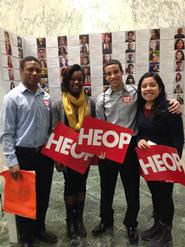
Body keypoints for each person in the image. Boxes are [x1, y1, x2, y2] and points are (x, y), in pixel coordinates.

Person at [92, 59, 180, 245]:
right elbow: (100, 126)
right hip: (109, 150)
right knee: (106, 188)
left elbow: (155, 100)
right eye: (109, 73)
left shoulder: (134, 93)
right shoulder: (101, 100)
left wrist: (175, 101)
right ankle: (105, 220)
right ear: (105, 76)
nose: (113, 76)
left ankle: (131, 223)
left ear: (122, 71)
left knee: (132, 189)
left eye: (116, 72)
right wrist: (99, 149)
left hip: (131, 148)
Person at [0, 56, 57, 247]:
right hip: (23, 155)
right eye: (30, 69)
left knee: (43, 194)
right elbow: (6, 132)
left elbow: (50, 130)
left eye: (37, 70)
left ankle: (39, 228)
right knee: (23, 198)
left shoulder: (46, 98)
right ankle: (25, 236)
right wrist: (12, 160)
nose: (34, 73)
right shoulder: (12, 98)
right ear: (21, 70)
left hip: (44, 155)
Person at [136, 72, 184, 247]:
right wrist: (138, 139)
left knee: (165, 196)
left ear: (160, 88)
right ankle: (158, 225)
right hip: (149, 162)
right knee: (155, 194)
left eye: (152, 85)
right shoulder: (140, 109)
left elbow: (179, 138)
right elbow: (139, 131)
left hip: (166, 162)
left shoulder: (170, 108)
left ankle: (167, 232)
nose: (148, 89)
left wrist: (173, 163)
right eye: (144, 86)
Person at [52, 64, 95, 239]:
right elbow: (54, 130)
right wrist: (57, 157)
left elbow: (95, 128)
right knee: (70, 185)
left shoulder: (90, 102)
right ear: (67, 81)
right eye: (73, 79)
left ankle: (79, 220)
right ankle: (70, 221)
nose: (76, 82)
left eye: (80, 79)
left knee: (82, 185)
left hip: (84, 153)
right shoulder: (58, 104)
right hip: (66, 152)